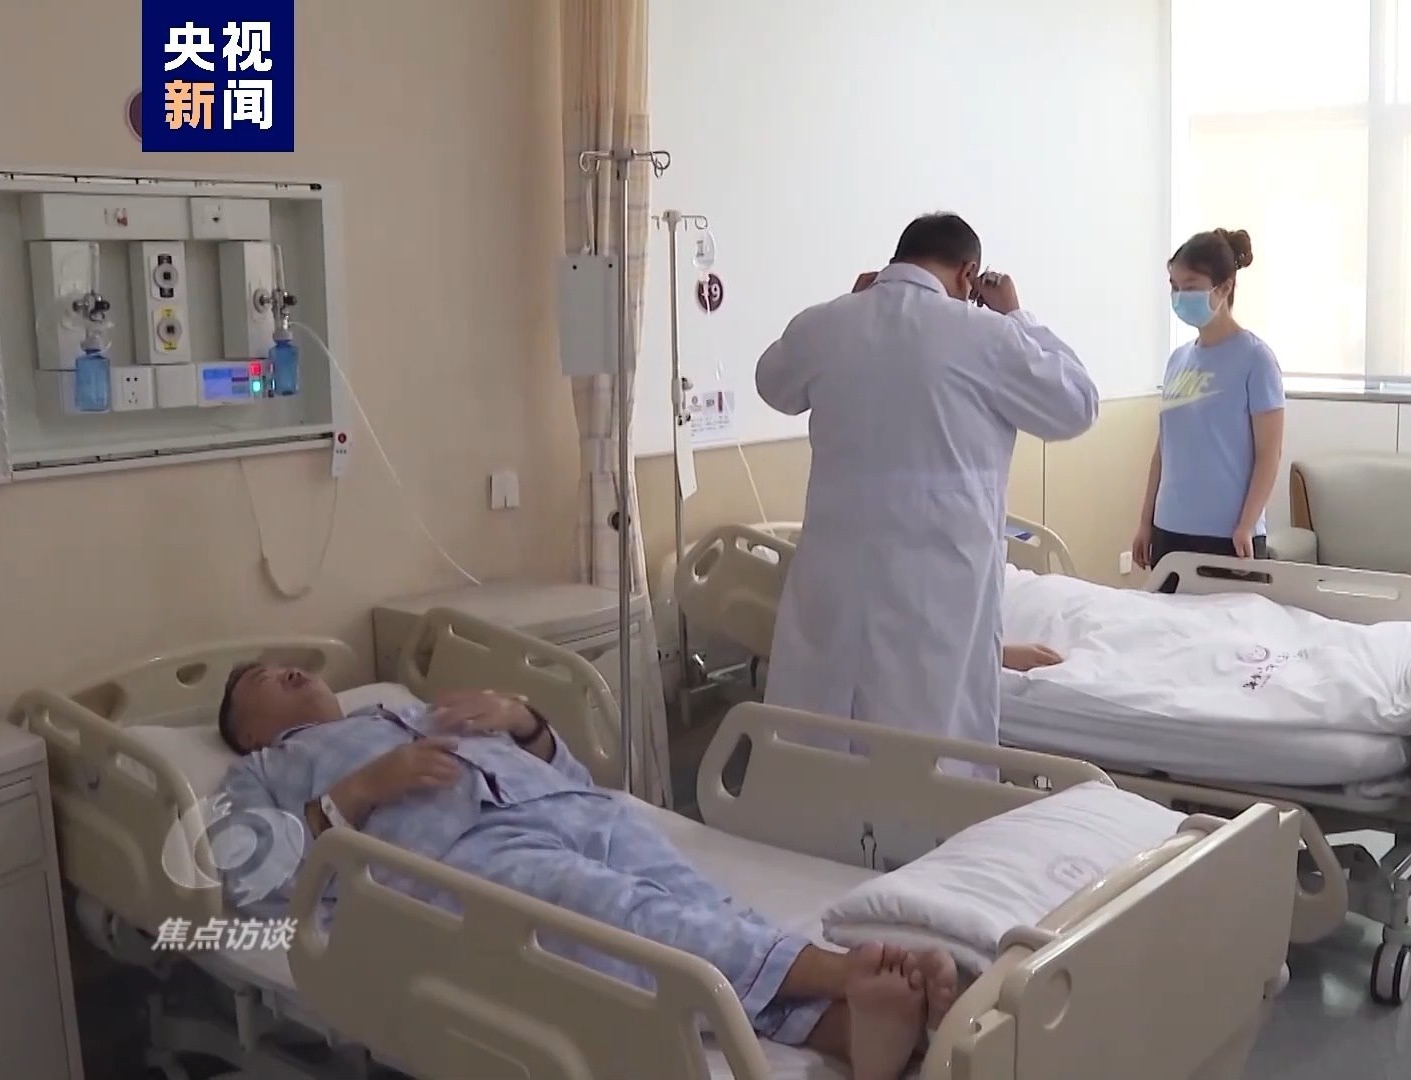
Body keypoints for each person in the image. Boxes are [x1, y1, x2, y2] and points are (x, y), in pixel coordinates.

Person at [211, 661, 960, 1080]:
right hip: (461, 852)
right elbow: (252, 879)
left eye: (291, 664)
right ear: (248, 732)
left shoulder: (412, 707)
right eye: (266, 679)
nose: (292, 669)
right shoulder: (267, 770)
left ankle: (854, 1035)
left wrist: (523, 719)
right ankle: (841, 973)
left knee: (701, 906)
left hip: (574, 807)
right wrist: (359, 791)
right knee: (621, 914)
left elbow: (566, 768)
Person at [755, 213, 1100, 773]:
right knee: (927, 759)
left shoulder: (827, 324)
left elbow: (773, 384)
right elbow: (1077, 405)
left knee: (821, 745)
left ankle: (811, 818)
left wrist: (849, 305)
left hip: (835, 584)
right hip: (935, 596)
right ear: (968, 274)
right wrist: (1017, 315)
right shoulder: (984, 334)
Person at [1131, 228, 1286, 574]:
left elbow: (1269, 455)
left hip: (1229, 537)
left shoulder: (1256, 359)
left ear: (1224, 287)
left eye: (1190, 287)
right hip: (1170, 529)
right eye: (1174, 287)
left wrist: (1246, 525)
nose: (1179, 296)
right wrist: (1146, 521)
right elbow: (1163, 450)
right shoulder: (1177, 360)